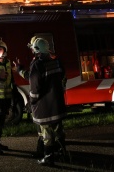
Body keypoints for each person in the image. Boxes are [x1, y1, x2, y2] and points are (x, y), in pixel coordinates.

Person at [27, 37, 67, 166]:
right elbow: (61, 77)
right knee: (59, 131)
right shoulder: (55, 62)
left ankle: (49, 158)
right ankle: (62, 152)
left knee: (47, 134)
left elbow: (35, 89)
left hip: (44, 108)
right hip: (57, 105)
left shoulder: (37, 65)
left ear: (37, 50)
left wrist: (31, 101)